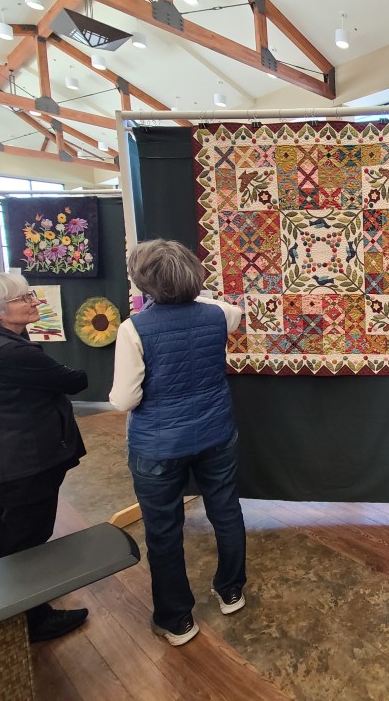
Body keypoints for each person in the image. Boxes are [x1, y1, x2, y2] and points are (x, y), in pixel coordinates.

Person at [110, 239, 246, 647]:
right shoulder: (220, 313)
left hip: (158, 446)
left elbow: (124, 400)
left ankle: (177, 619)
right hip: (215, 434)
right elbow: (229, 310)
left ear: (142, 282)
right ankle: (231, 591)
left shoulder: (133, 329)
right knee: (226, 511)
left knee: (164, 530)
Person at [0, 273, 89, 641]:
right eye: (22, 299)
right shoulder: (10, 353)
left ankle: (14, 607)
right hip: (25, 461)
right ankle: (31, 620)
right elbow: (75, 380)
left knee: (12, 533)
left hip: (2, 457)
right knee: (25, 540)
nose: (33, 302)